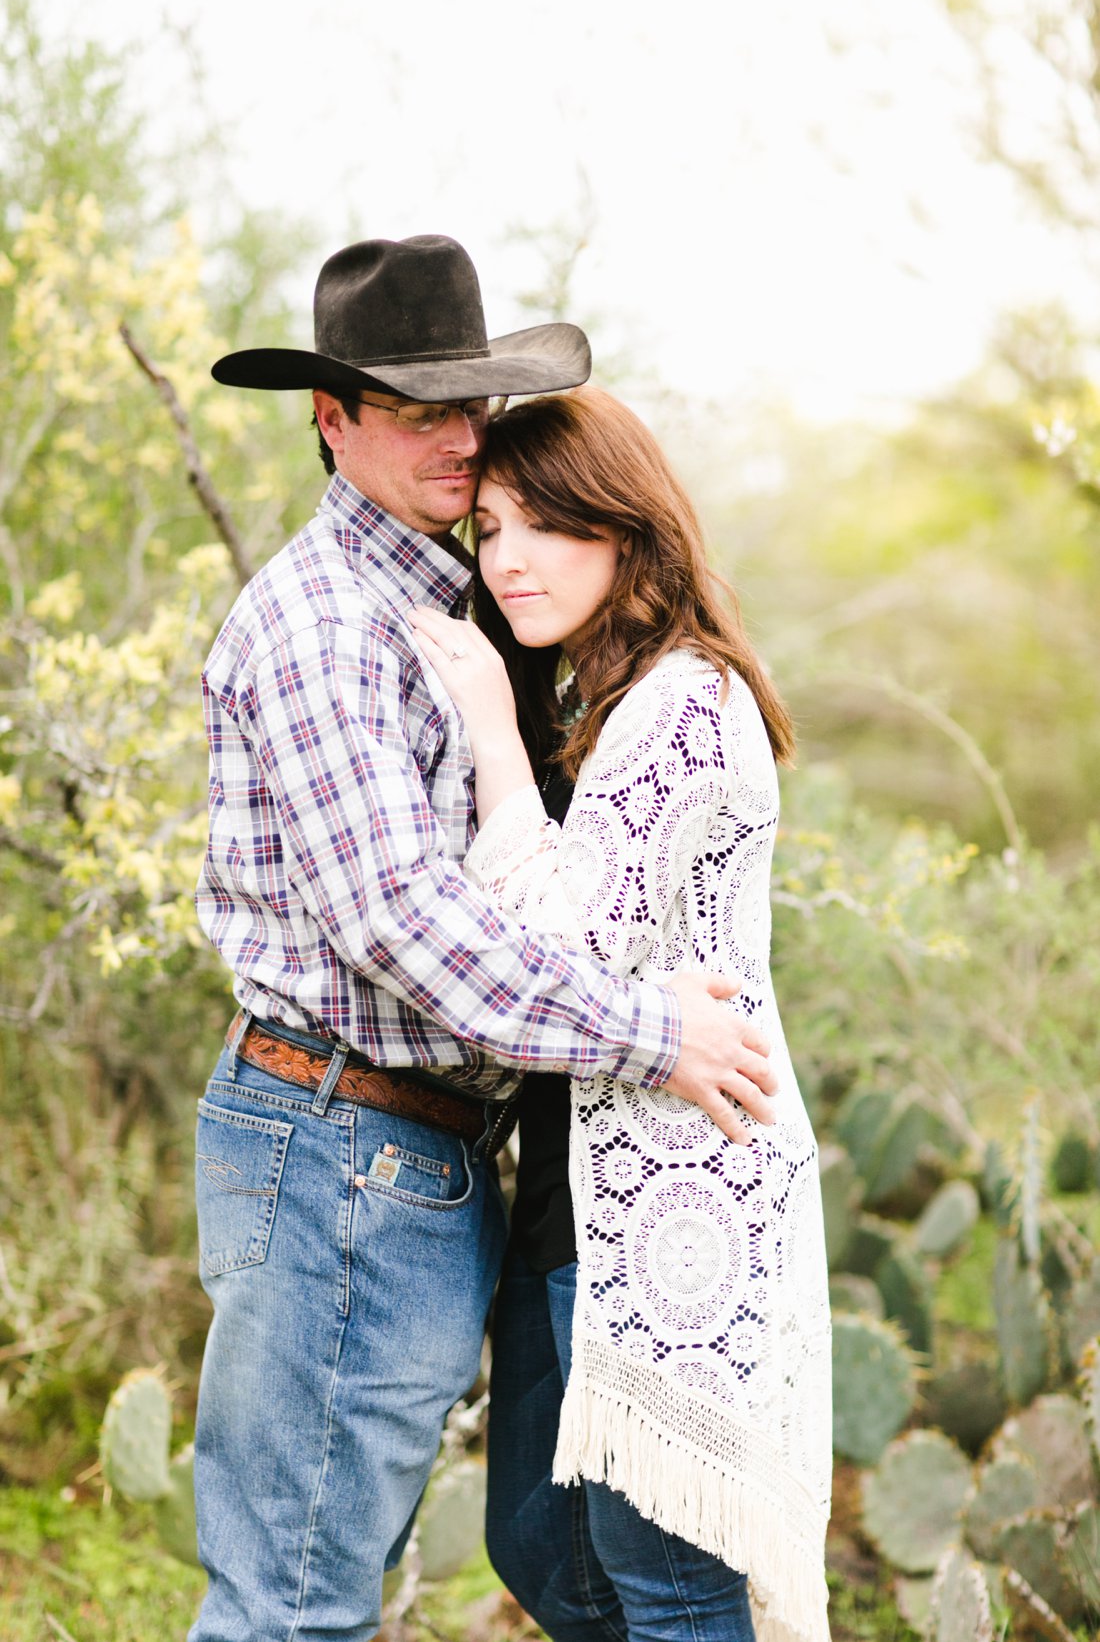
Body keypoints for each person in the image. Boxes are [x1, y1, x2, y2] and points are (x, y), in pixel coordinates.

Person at [189, 236, 780, 1642]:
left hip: (421, 1155)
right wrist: (657, 1030)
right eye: (414, 407)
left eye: (470, 404)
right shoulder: (326, 625)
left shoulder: (454, 603)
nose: (458, 439)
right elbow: (403, 920)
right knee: (292, 1603)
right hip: (342, 1138)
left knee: (344, 1579)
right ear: (330, 420)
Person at [409, 386, 832, 1642]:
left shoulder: (682, 705)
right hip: (578, 1191)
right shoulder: (609, 703)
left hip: (670, 1207)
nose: (512, 559)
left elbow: (570, 947)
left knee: (664, 1583)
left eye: (548, 524)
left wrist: (489, 726)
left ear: (626, 529)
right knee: (544, 1548)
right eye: (489, 529)